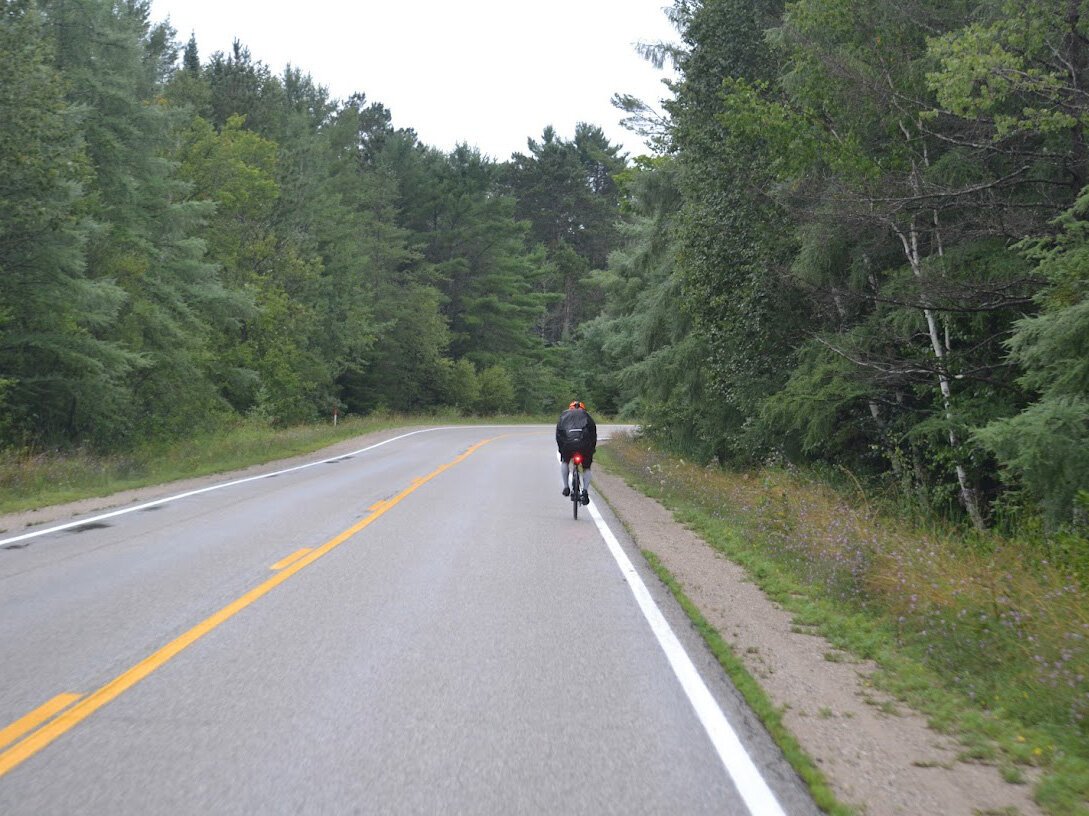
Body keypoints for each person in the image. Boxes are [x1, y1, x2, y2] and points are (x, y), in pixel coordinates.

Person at [556, 400, 597, 506]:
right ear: (583, 409)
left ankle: (566, 487)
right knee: (586, 468)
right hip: (584, 445)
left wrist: (561, 449)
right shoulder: (586, 416)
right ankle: (585, 491)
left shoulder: (564, 416)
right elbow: (593, 433)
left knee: (565, 462)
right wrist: (592, 449)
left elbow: (559, 434)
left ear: (570, 408)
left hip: (568, 445)